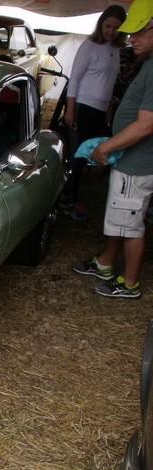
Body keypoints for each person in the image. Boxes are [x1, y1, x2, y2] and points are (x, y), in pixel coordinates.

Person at [73, 0, 153, 299]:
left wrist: (105, 148)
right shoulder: (148, 63)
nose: (131, 38)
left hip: (138, 164)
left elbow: (146, 125)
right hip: (130, 159)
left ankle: (129, 283)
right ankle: (106, 262)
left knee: (131, 225)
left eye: (139, 32)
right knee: (121, 216)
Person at [63, 5, 127, 221]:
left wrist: (108, 110)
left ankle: (76, 190)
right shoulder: (89, 46)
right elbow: (74, 79)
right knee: (80, 154)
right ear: (100, 24)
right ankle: (70, 198)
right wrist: (70, 109)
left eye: (116, 28)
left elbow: (109, 83)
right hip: (84, 106)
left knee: (93, 151)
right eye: (107, 26)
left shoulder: (115, 49)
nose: (111, 31)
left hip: (101, 109)